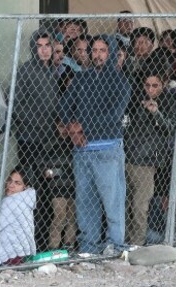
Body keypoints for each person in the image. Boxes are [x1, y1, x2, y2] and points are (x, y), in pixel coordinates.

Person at [58, 35, 131, 254]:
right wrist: (72, 131)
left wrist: (82, 127)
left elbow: (113, 116)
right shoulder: (81, 78)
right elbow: (63, 106)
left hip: (108, 149)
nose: (98, 55)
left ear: (111, 54)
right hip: (82, 151)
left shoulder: (120, 82)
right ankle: (88, 246)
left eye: (103, 50)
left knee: (113, 201)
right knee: (85, 202)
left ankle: (115, 245)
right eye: (95, 50)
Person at [124, 69, 176, 246]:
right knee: (125, 204)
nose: (150, 89)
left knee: (140, 206)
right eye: (147, 85)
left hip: (147, 161)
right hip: (129, 157)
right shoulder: (135, 100)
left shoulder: (168, 101)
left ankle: (137, 243)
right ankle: (124, 240)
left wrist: (156, 113)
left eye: (155, 85)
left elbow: (170, 128)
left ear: (163, 85)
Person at [13, 31, 58, 184]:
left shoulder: (53, 71)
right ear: (33, 48)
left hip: (49, 138)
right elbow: (16, 105)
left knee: (48, 183)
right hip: (29, 139)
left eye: (47, 45)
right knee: (31, 182)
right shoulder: (25, 70)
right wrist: (37, 123)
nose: (44, 50)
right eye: (39, 46)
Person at [0, 168, 36, 266]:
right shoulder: (26, 201)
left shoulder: (9, 202)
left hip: (8, 256)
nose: (11, 185)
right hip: (24, 254)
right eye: (10, 181)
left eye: (17, 183)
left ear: (25, 187)